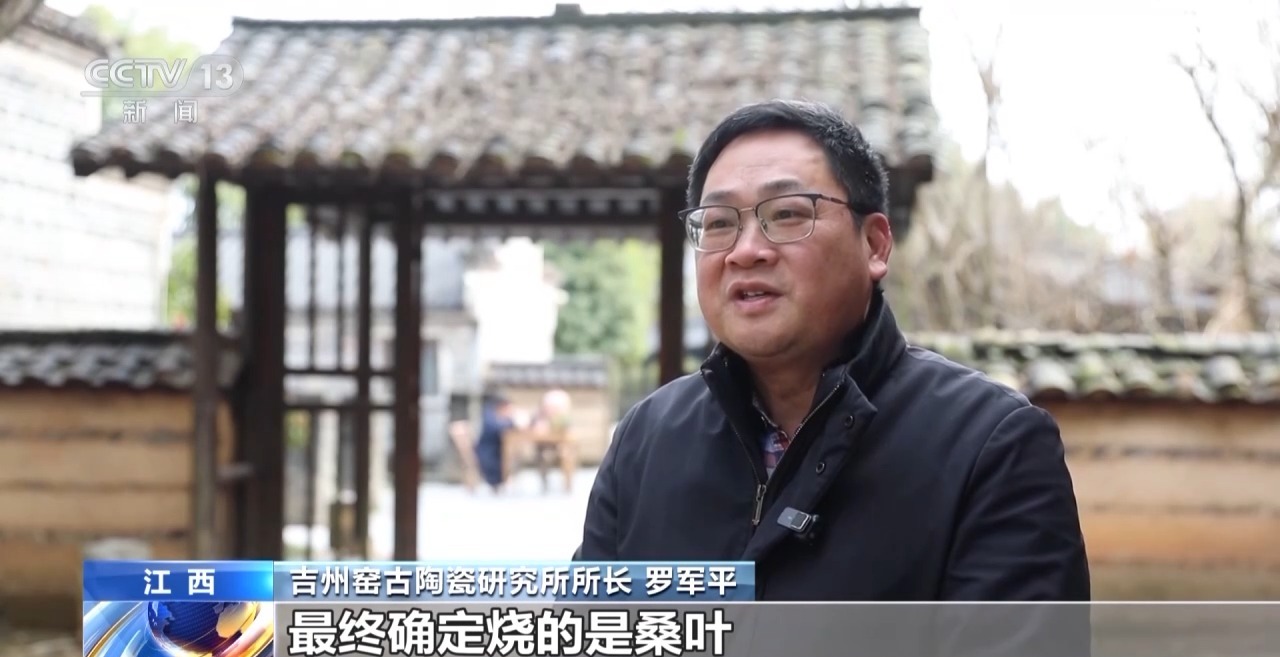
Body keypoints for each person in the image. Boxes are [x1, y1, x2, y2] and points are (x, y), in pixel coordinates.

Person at [573, 100, 1091, 602]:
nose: (746, 251)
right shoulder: (645, 440)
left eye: (787, 213)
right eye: (719, 223)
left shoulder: (990, 445)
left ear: (875, 245)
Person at [473, 394, 516, 494]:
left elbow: (512, 427)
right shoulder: (489, 414)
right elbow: (494, 428)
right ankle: (497, 484)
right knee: (499, 461)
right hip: (487, 449)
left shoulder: (503, 415)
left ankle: (504, 483)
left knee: (511, 457)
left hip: (499, 448)